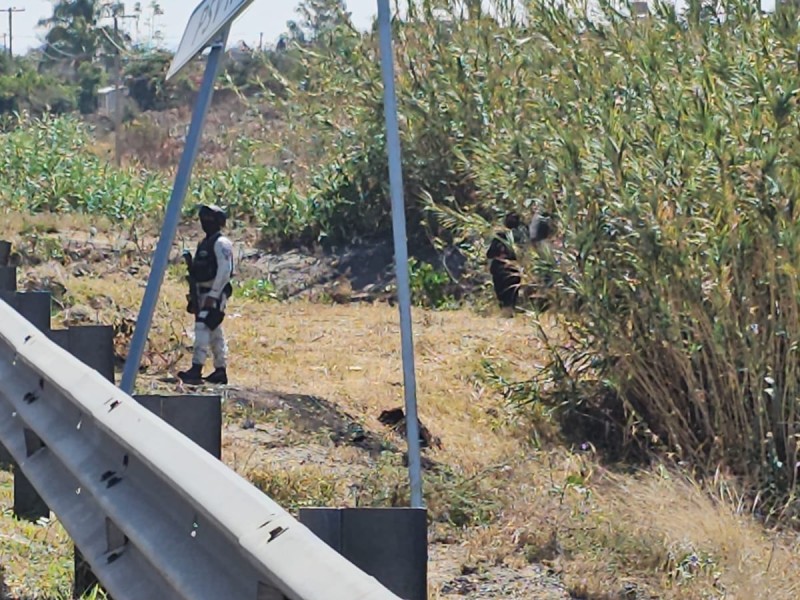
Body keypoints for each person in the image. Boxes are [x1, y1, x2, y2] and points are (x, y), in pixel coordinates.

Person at [178, 204, 234, 385]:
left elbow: (225, 270)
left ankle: (196, 368)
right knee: (214, 331)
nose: (205, 223)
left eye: (209, 220)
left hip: (214, 293)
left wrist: (214, 294)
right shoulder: (205, 243)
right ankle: (220, 370)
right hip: (202, 292)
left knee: (202, 327)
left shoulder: (221, 243)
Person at [487, 212, 526, 310]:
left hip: (506, 269)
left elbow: (489, 254)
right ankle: (508, 310)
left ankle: (507, 311)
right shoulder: (519, 237)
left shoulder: (504, 236)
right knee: (509, 294)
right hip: (509, 269)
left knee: (506, 294)